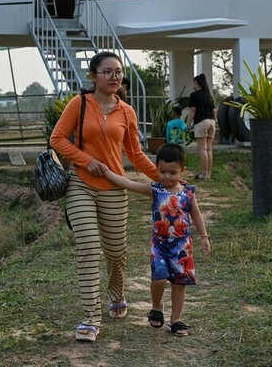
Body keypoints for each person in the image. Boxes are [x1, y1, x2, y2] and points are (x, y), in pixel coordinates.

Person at [50, 51, 159, 342]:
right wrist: (86, 161)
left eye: (118, 72)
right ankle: (90, 318)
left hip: (114, 188)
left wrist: (164, 179)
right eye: (107, 72)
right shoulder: (79, 104)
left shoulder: (127, 112)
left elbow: (135, 154)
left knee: (115, 253)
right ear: (93, 76)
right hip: (80, 185)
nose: (114, 77)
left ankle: (117, 293)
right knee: (88, 247)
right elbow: (57, 138)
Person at [103, 143, 211, 337]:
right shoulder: (154, 190)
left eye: (172, 173)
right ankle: (156, 306)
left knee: (179, 283)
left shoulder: (188, 193)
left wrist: (204, 236)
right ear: (157, 169)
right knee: (159, 279)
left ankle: (176, 319)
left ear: (182, 170)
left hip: (182, 246)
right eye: (162, 172)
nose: (167, 177)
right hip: (160, 245)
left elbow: (196, 215)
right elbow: (128, 183)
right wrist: (107, 174)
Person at [186, 73, 216, 179]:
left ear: (196, 83)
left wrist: (188, 124)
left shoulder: (194, 95)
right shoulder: (209, 95)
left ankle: (204, 173)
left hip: (201, 122)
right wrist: (215, 122)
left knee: (202, 149)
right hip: (211, 122)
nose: (192, 85)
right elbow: (214, 111)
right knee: (209, 149)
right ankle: (208, 173)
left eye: (193, 83)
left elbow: (193, 110)